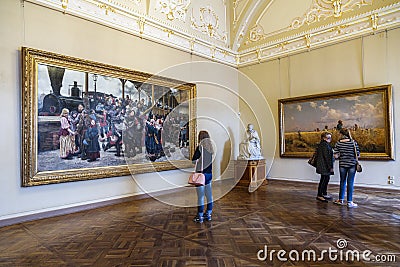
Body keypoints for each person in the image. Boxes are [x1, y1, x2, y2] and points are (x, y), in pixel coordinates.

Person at [333, 128, 360, 208]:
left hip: (342, 165)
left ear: (341, 134)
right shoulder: (353, 143)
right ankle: (349, 202)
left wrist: (341, 155)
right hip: (352, 164)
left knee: (342, 182)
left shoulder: (338, 143)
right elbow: (358, 154)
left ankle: (340, 200)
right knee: (350, 182)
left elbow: (336, 155)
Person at [192, 131, 214, 223]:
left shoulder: (199, 148)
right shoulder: (210, 148)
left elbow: (193, 160)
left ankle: (200, 216)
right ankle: (208, 214)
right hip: (209, 174)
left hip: (201, 175)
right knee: (209, 195)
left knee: (200, 196)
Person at [315, 132, 334, 202]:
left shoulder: (323, 144)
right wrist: (330, 167)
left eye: (330, 138)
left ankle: (323, 193)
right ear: (323, 138)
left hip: (323, 165)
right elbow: (327, 157)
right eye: (328, 138)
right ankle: (320, 195)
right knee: (324, 180)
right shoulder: (324, 145)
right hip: (324, 166)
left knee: (325, 179)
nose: (330, 139)